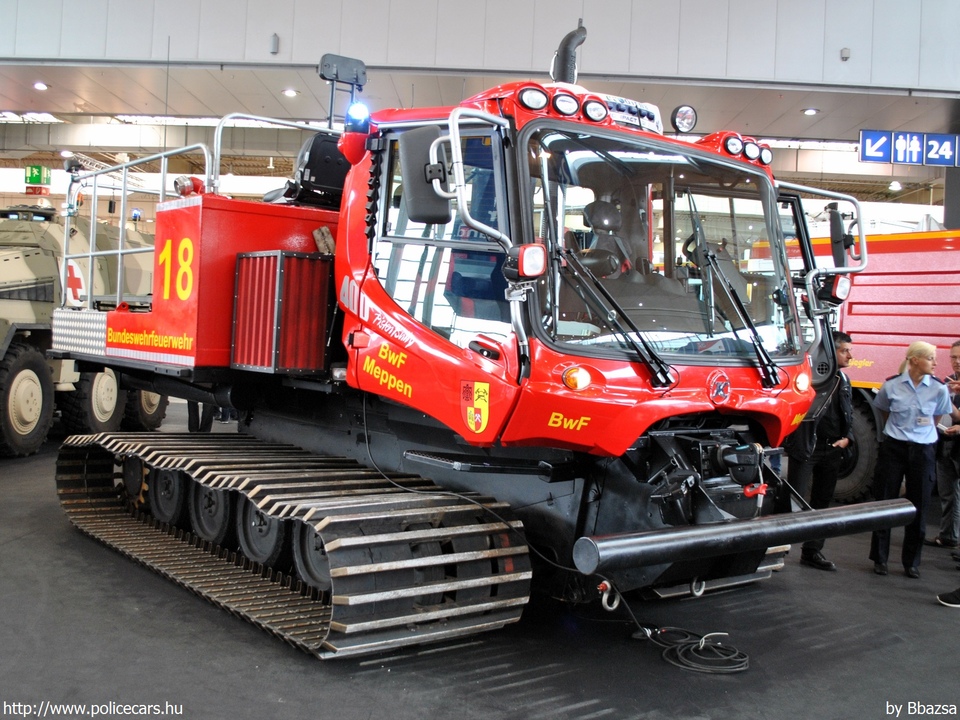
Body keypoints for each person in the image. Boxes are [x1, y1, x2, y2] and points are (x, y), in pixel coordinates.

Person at [869, 341, 960, 578]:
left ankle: (911, 562)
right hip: (894, 449)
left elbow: (936, 418)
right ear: (915, 360)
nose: (936, 363)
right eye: (931, 358)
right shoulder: (891, 385)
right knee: (885, 503)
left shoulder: (939, 389)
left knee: (919, 506)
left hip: (923, 450)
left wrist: (919, 435)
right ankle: (880, 558)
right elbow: (884, 411)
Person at [786, 331, 854, 571]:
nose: (850, 356)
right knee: (792, 501)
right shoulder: (808, 377)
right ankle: (775, 549)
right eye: (845, 351)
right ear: (830, 352)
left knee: (822, 502)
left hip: (832, 449)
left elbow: (848, 412)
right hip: (807, 447)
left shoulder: (844, 380)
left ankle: (812, 551)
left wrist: (848, 438)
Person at [927, 339, 960, 549]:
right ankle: (948, 536)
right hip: (946, 443)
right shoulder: (946, 382)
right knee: (948, 494)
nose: (957, 361)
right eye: (953, 357)